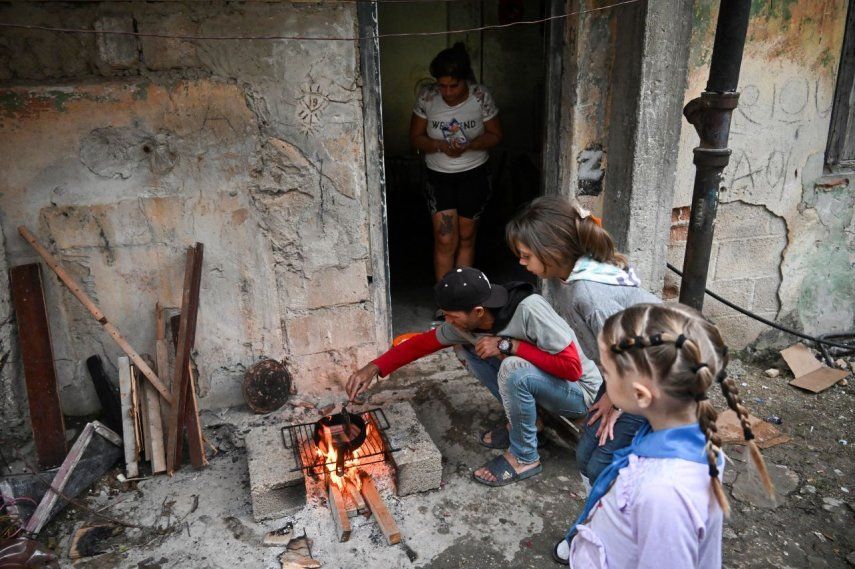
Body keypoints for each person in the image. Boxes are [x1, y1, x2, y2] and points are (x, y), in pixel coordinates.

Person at [553, 303, 774, 567]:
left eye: (606, 373)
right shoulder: (687, 437)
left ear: (641, 395)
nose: (604, 380)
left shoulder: (663, 495)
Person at [346, 267, 602, 486]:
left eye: (453, 316)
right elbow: (422, 344)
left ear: (478, 311)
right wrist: (374, 367)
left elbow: (572, 368)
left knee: (512, 367)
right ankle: (532, 424)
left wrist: (508, 345)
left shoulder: (529, 310)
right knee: (468, 349)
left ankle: (525, 457)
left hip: (581, 394)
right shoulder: (466, 324)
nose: (447, 321)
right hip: (547, 387)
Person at [506, 196, 660, 491]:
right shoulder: (566, 277)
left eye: (526, 255)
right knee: (586, 455)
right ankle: (599, 517)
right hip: (621, 373)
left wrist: (616, 403)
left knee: (600, 464)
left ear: (553, 251)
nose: (521, 262)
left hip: (654, 377)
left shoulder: (589, 294)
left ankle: (624, 514)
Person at [409, 43, 503, 318]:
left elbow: (496, 135)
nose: (447, 92)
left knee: (467, 235)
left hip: (474, 173)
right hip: (439, 177)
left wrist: (469, 145)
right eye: (442, 86)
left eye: (453, 86)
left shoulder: (480, 96)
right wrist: (439, 146)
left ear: (466, 80)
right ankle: (445, 304)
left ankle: (464, 299)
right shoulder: (427, 98)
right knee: (444, 238)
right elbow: (415, 138)